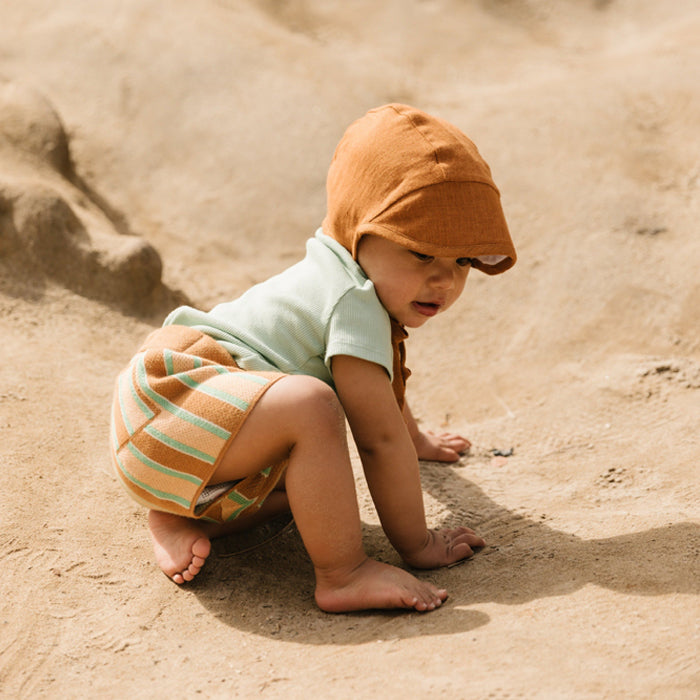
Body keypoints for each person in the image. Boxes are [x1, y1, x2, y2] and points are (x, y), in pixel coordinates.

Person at [109, 103, 516, 613]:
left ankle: (181, 514)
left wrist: (415, 440)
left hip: (185, 435)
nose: (445, 280)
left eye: (462, 261)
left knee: (316, 491)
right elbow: (377, 438)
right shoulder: (354, 299)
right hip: (174, 402)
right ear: (361, 229)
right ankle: (343, 574)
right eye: (420, 252)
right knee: (312, 405)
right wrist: (419, 544)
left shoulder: (343, 267)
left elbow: (382, 400)